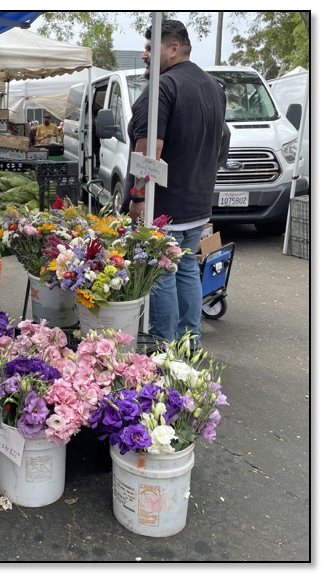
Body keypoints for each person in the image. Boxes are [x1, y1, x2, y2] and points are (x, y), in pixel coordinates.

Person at [122, 20, 227, 349]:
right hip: (196, 205)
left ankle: (164, 346)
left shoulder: (162, 88)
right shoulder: (213, 87)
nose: (144, 55)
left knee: (163, 275)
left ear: (173, 48)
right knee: (185, 272)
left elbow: (148, 152)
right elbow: (223, 142)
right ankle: (190, 343)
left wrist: (138, 197)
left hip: (163, 206)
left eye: (151, 48)